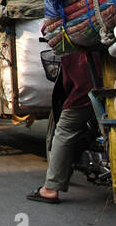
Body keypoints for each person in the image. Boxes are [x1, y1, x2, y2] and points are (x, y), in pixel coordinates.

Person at [27, 47, 96, 204]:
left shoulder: (76, 46)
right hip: (115, 84)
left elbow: (47, 28)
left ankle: (51, 188)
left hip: (87, 91)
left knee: (65, 128)